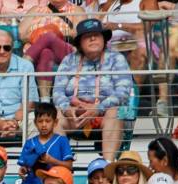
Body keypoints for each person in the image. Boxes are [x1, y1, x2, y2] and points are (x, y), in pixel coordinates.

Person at [52, 19, 132, 161]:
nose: (93, 38)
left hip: (104, 113)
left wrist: (98, 108)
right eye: (88, 36)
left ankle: (107, 166)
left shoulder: (116, 58)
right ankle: (61, 166)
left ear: (104, 39)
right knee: (56, 116)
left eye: (97, 35)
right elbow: (57, 92)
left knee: (115, 112)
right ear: (80, 43)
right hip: (74, 113)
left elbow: (123, 92)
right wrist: (67, 110)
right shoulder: (69, 60)